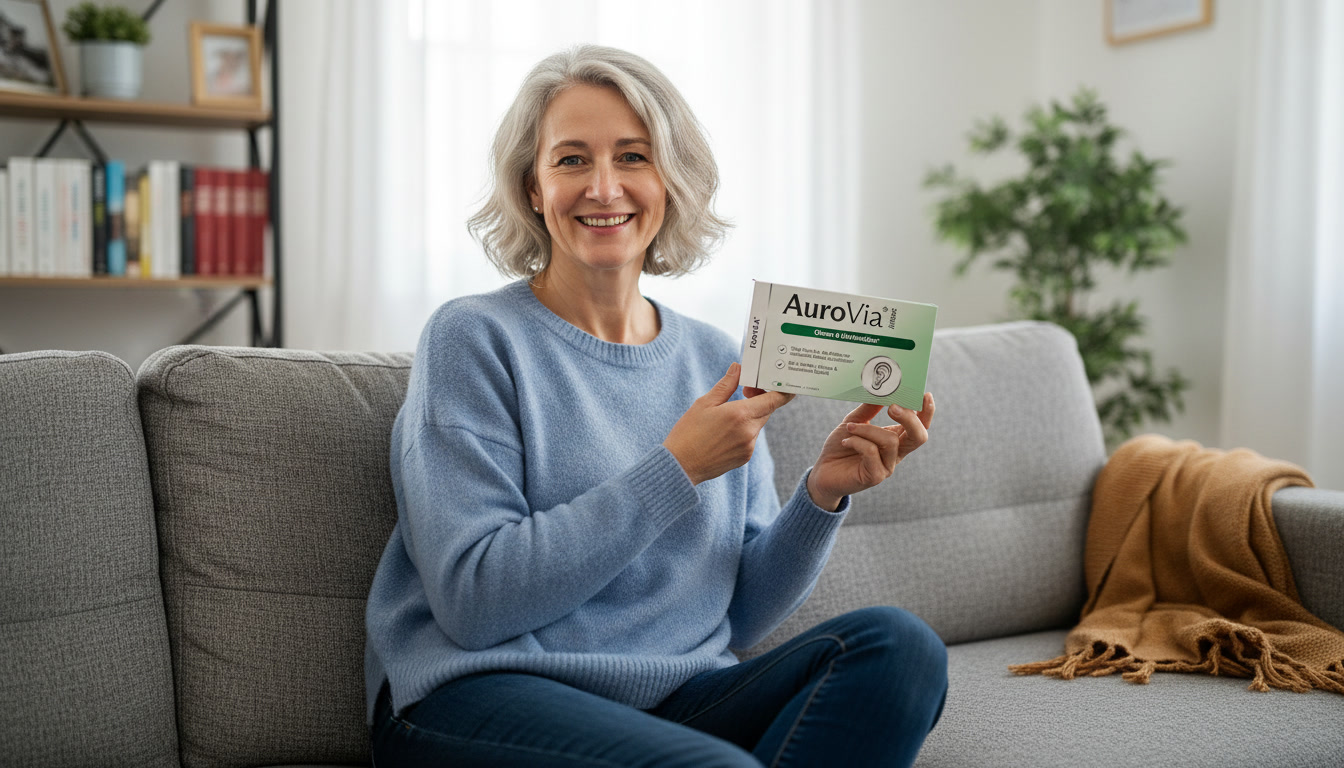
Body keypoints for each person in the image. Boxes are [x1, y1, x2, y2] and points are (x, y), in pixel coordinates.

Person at [365, 44, 947, 768]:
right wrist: (676, 469)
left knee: (900, 648)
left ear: (670, 181)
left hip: (678, 696)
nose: (604, 187)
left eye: (634, 157)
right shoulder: (474, 338)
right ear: (533, 188)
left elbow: (737, 616)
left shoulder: (712, 357)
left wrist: (821, 496)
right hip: (482, 695)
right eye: (572, 159)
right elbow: (475, 604)